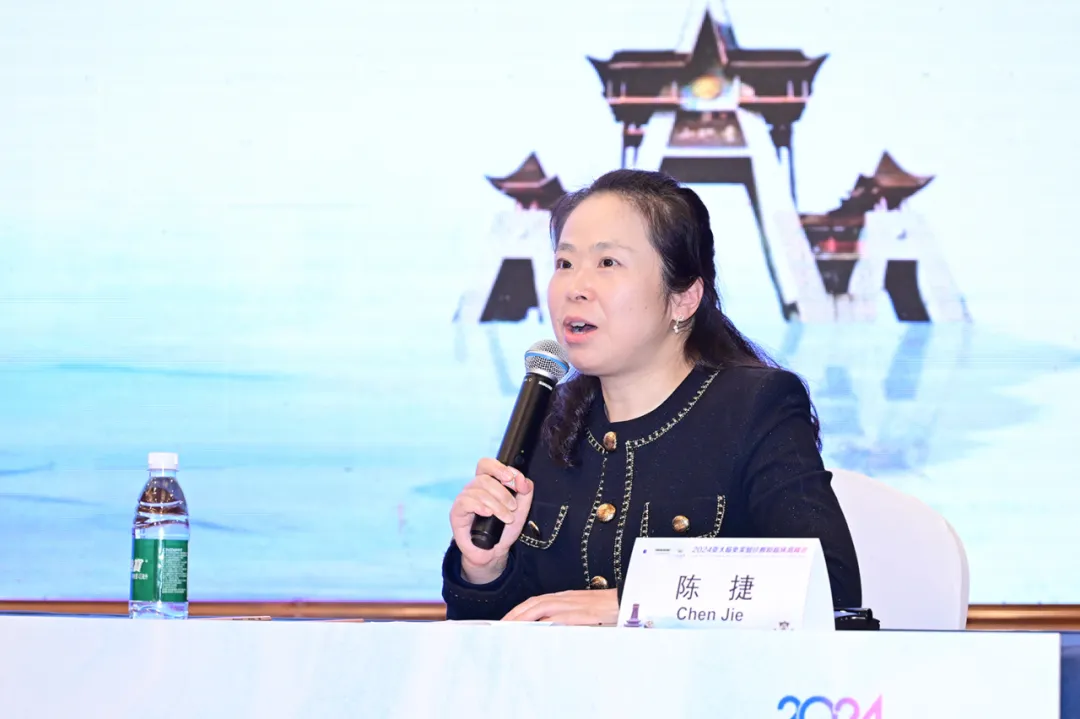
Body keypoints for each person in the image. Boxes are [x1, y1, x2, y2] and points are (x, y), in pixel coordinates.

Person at [442, 169, 861, 624]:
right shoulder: (547, 417)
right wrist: (485, 568)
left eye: (607, 263)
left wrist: (635, 603)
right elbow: (492, 636)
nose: (575, 288)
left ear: (683, 298)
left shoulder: (754, 408)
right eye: (564, 263)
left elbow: (831, 587)